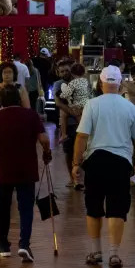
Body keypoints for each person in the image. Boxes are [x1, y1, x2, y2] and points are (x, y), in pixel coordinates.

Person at [73, 66, 135, 268]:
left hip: (96, 160)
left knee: (94, 207)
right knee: (117, 208)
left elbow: (81, 136)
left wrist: (76, 163)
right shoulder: (129, 106)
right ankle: (114, 254)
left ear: (100, 83)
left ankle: (96, 252)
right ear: (120, 84)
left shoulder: (92, 105)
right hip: (121, 162)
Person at [0, 85, 52, 262]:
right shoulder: (31, 116)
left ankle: (3, 246)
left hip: (3, 169)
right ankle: (24, 244)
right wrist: (47, 153)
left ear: (0, 101)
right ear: (19, 99)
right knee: (25, 208)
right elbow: (44, 139)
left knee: (2, 208)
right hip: (27, 168)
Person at [53, 60, 82, 189]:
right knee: (68, 151)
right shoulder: (58, 84)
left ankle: (79, 178)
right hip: (69, 121)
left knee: (81, 151)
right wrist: (73, 112)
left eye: (66, 70)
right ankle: (72, 178)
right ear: (58, 73)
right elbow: (58, 103)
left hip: (79, 121)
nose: (64, 73)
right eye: (62, 71)